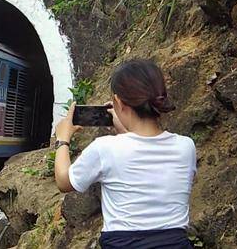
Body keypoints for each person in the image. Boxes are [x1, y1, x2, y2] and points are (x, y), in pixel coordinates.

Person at [53, 59, 196, 248]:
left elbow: (64, 181)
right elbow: (144, 155)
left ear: (118, 102)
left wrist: (62, 139)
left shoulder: (105, 149)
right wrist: (125, 130)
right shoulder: (186, 147)